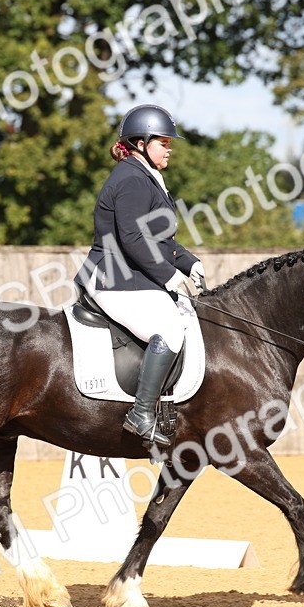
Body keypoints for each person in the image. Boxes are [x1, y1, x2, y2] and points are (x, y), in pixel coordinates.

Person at [74, 104, 206, 450]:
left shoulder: (145, 176)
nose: (169, 149)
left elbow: (160, 239)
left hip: (131, 276)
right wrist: (168, 275)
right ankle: (141, 414)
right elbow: (133, 238)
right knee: (170, 330)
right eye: (164, 142)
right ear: (141, 143)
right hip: (113, 278)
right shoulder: (132, 179)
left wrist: (189, 263)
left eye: (169, 143)